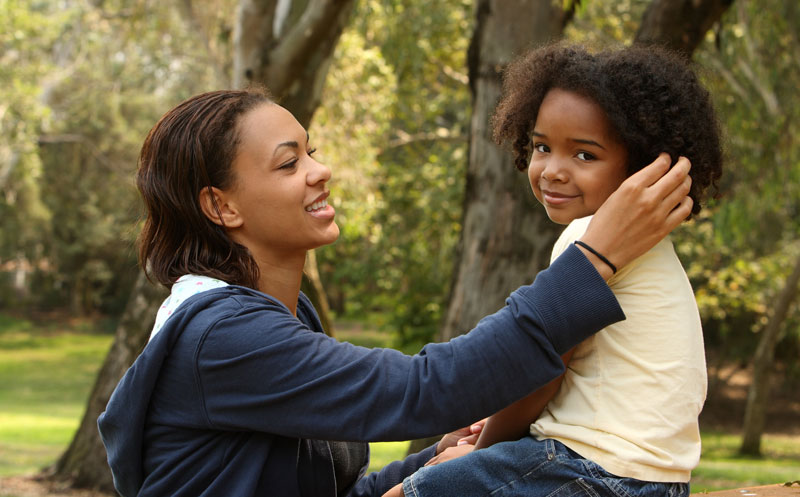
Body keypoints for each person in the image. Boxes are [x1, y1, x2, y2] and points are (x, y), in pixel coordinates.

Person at [97, 84, 694, 497]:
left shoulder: (277, 318)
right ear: (221, 205)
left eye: (312, 150)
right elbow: (420, 389)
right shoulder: (223, 336)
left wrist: (432, 460)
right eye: (288, 163)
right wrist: (595, 259)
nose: (319, 169)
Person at [391, 43, 722, 497]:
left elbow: (540, 377)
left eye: (584, 155)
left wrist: (482, 450)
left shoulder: (590, 239)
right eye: (542, 147)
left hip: (589, 470)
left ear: (641, 167)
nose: (552, 171)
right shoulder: (652, 253)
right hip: (652, 481)